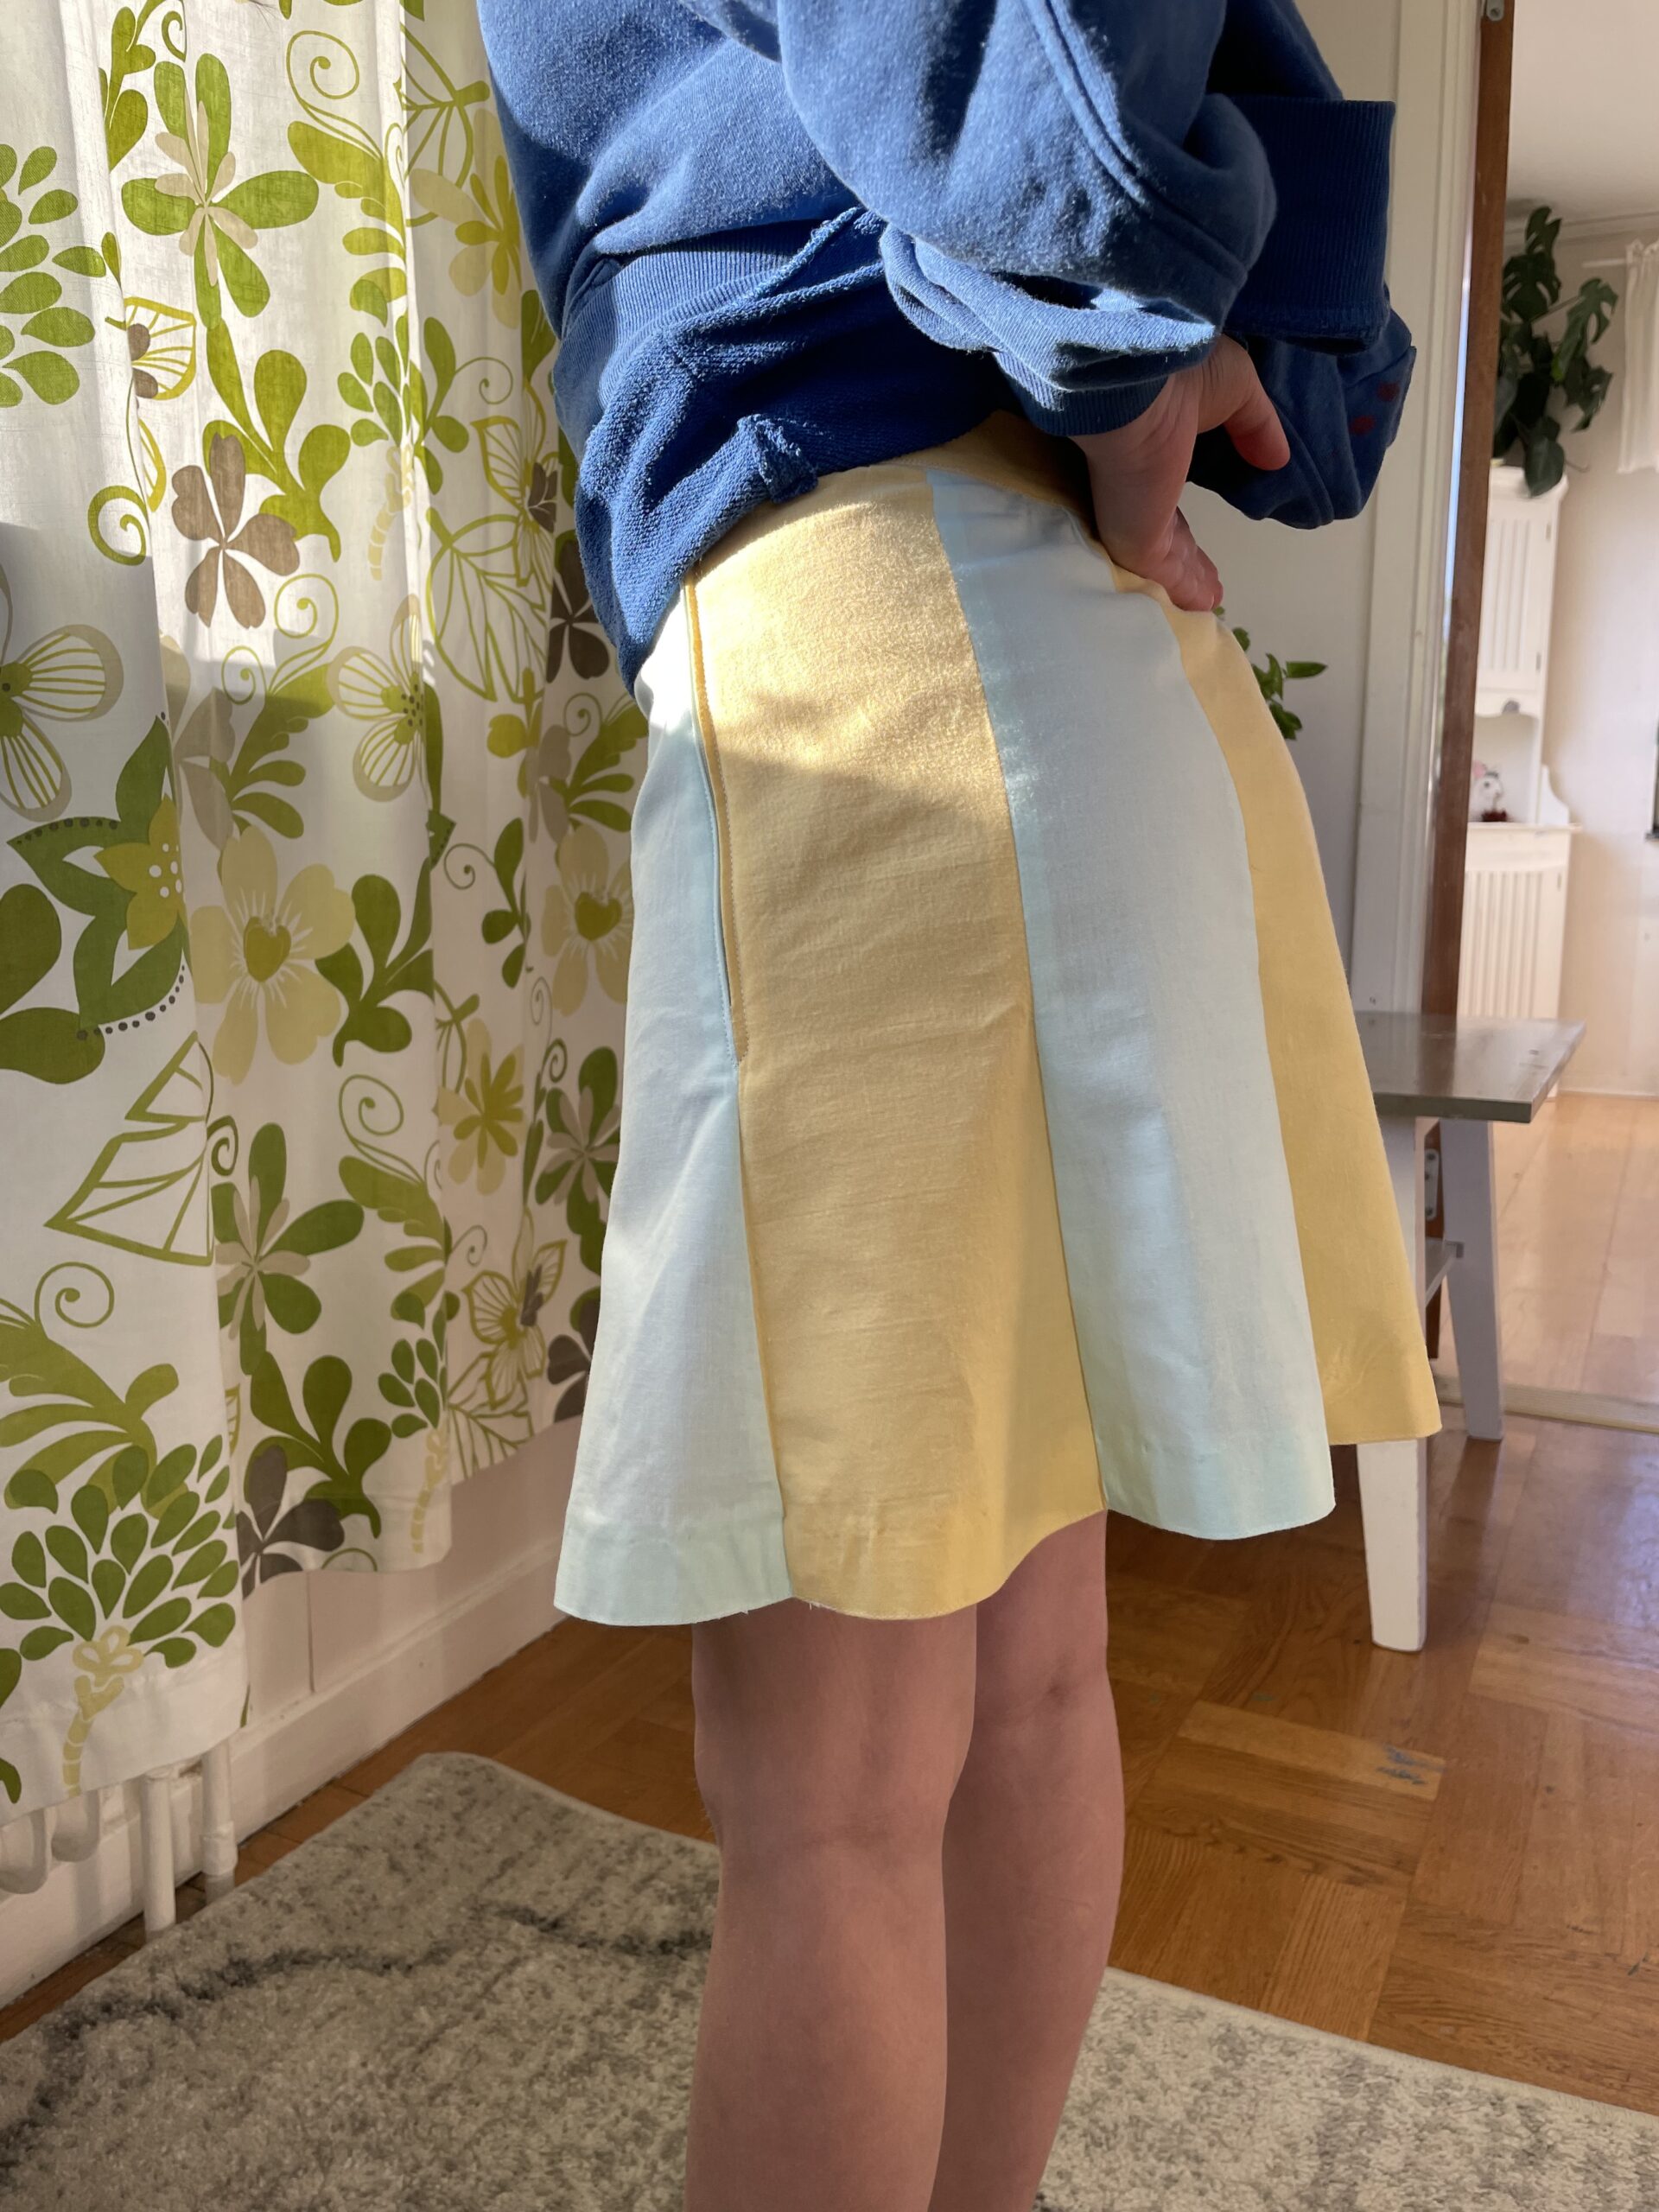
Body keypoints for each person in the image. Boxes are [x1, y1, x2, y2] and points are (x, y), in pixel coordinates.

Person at [479, 3, 1443, 2205]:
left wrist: (1116, 331)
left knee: (828, 1780)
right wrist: (1127, 346)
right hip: (1092, 660)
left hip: (887, 664)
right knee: (1026, 1674)